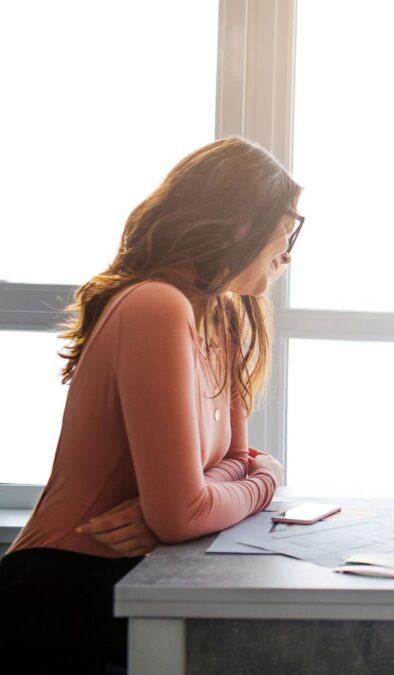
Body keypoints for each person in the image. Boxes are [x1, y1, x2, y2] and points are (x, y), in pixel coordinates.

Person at [0, 137, 302, 673]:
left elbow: (228, 463)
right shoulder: (155, 304)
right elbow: (192, 506)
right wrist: (266, 481)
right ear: (237, 223)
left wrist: (185, 503)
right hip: (62, 592)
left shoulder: (224, 318)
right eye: (287, 226)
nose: (289, 251)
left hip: (142, 575)